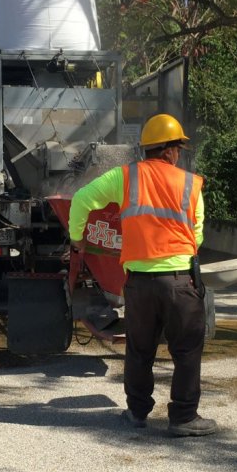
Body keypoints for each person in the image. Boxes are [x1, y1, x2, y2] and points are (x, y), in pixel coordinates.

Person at [68, 114, 216, 437]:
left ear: (147, 149)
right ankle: (183, 418)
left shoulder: (125, 177)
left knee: (139, 349)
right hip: (180, 281)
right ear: (170, 151)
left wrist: (78, 238)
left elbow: (80, 200)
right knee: (187, 350)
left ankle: (137, 413)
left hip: (139, 282)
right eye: (177, 147)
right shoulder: (191, 184)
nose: (178, 153)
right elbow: (198, 236)